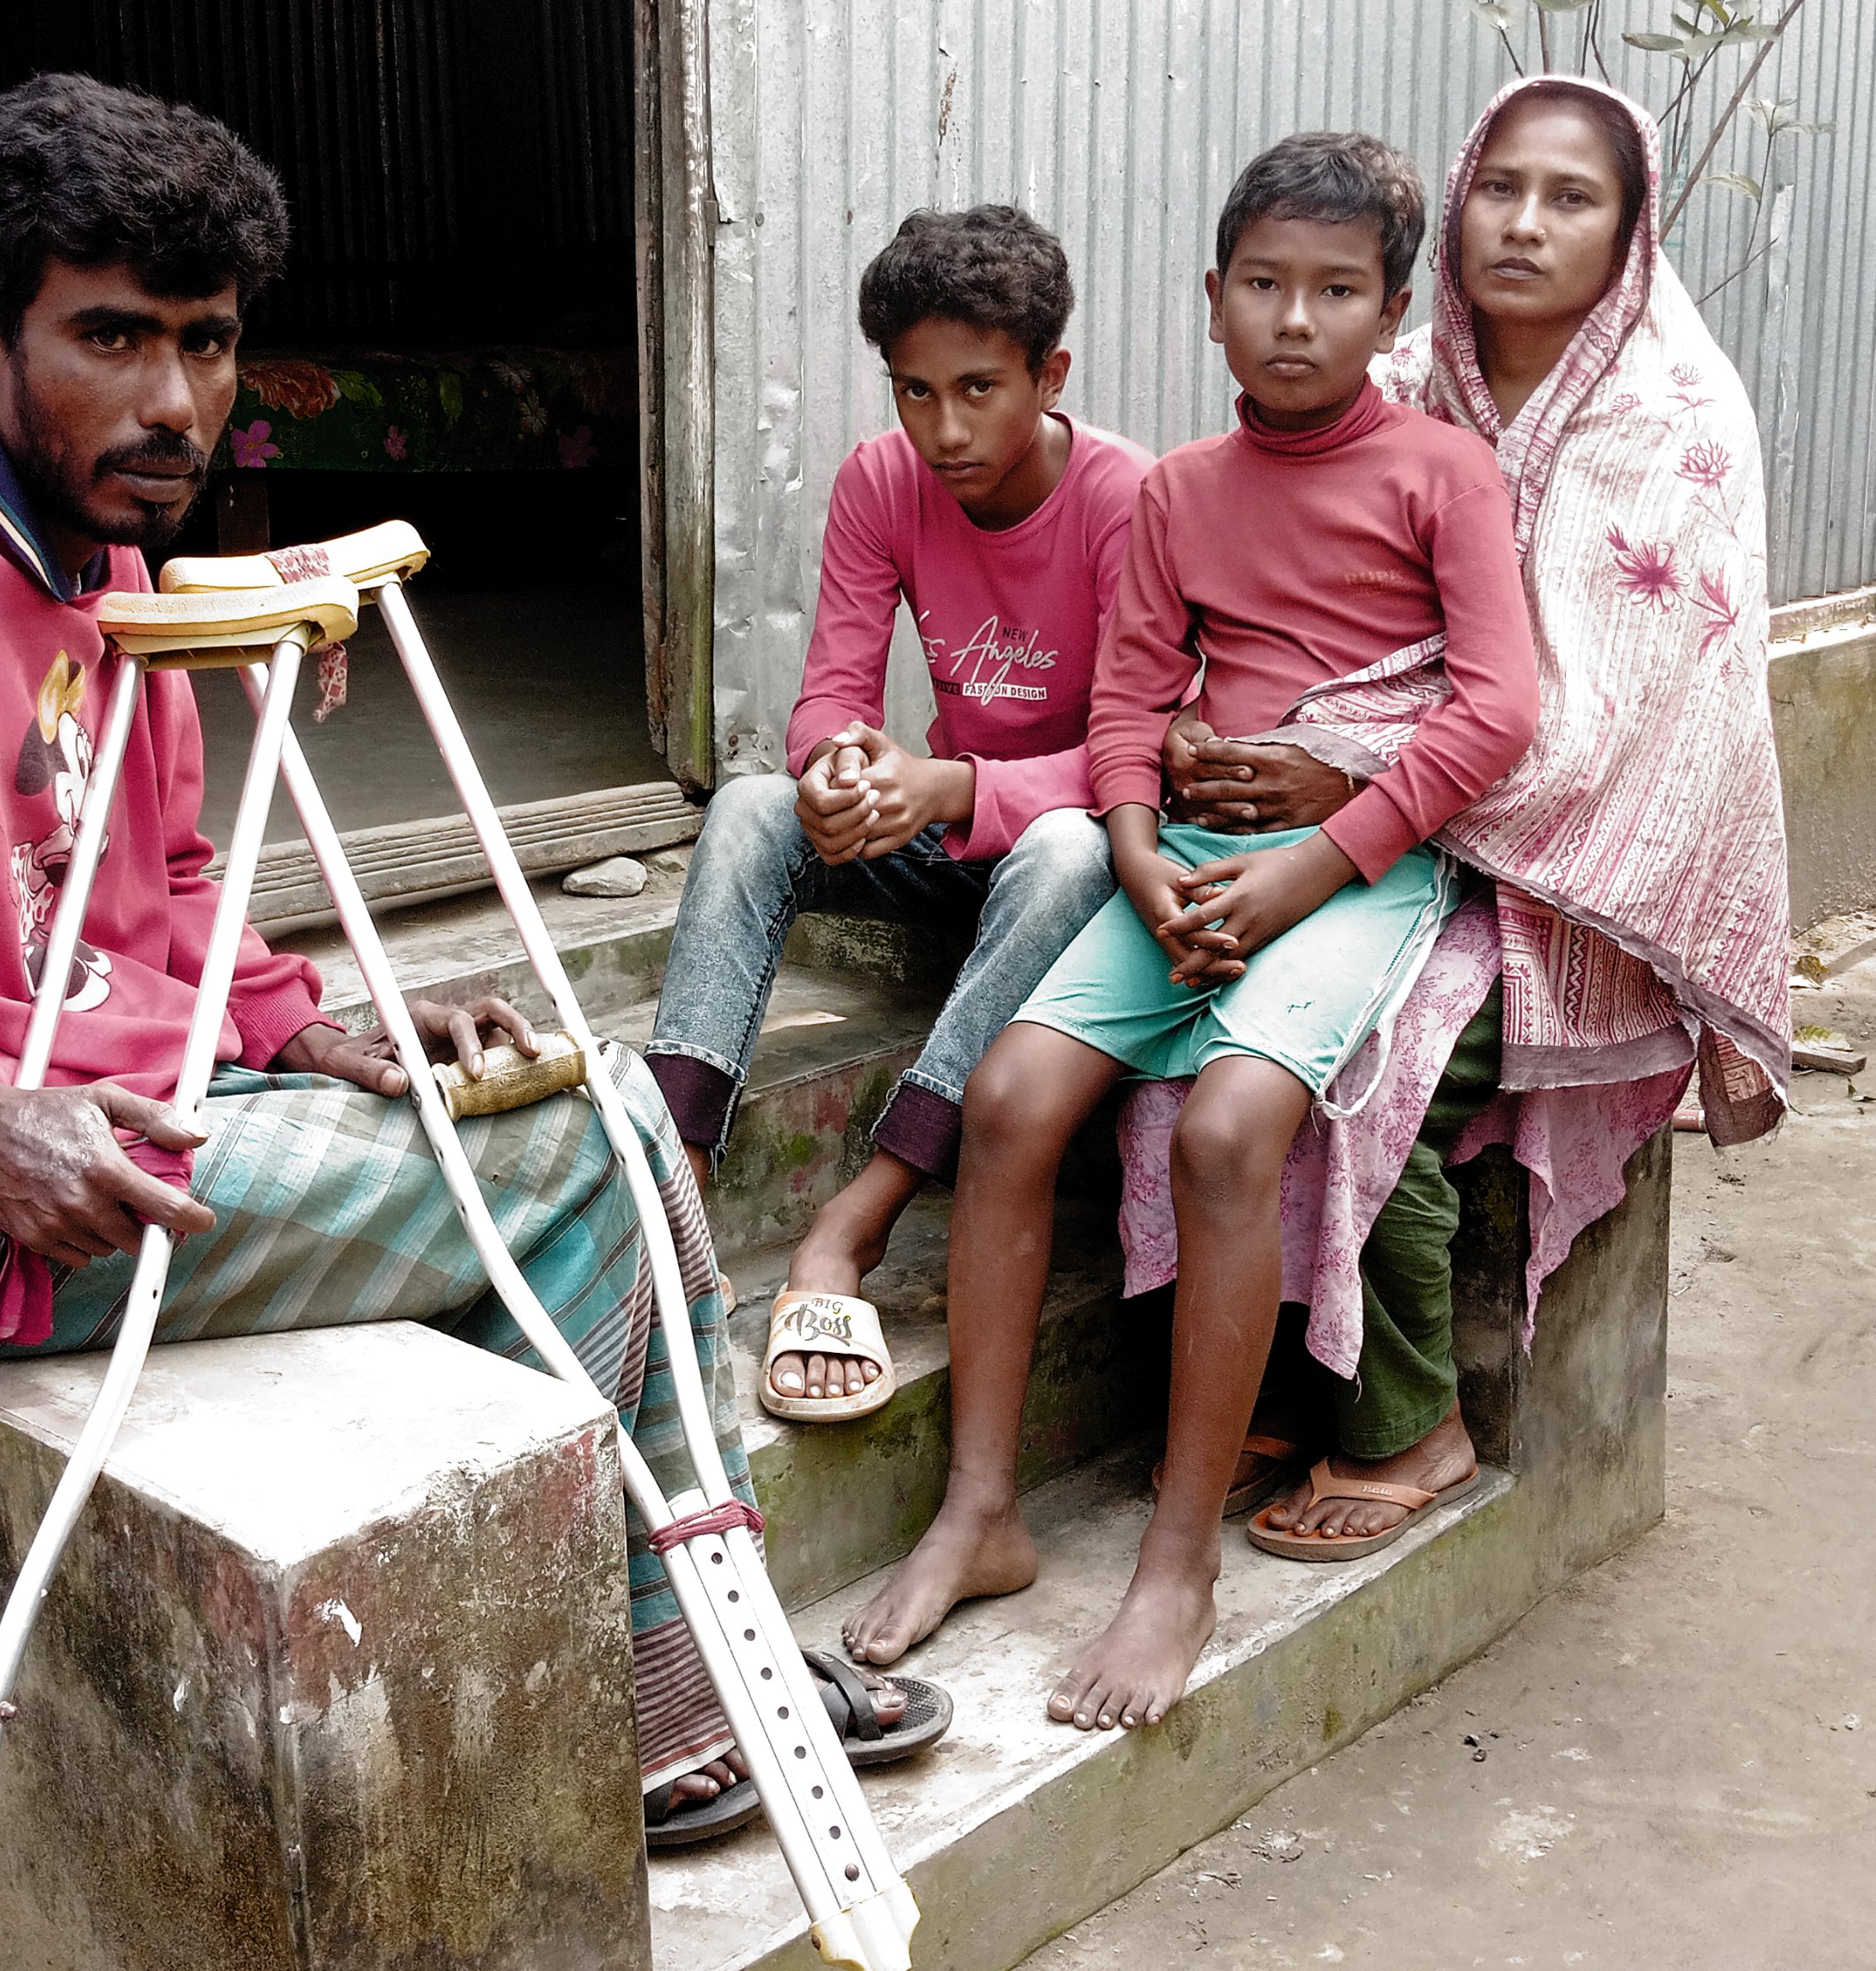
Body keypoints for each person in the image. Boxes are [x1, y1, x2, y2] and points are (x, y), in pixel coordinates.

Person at [0, 77, 889, 1844]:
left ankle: (663, 1658)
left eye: (207, 342)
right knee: (596, 1160)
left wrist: (307, 1020)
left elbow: (154, 874)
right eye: (109, 338)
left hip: (128, 1122)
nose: (171, 401)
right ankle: (664, 1692)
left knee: (581, 1092)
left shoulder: (109, 562)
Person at [837, 132, 1541, 1734]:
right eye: (1266, 286)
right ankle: (983, 1510)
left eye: (1339, 290)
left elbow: (1497, 711)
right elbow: (1132, 704)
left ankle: (1176, 1561)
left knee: (1229, 1129)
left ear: (1389, 311)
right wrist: (1144, 861)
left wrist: (1313, 868)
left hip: (1361, 870)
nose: (1298, 320)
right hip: (1192, 863)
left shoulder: (1442, 474)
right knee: (1012, 1101)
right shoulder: (1176, 495)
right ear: (1212, 302)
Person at [1131, 75, 1794, 1564]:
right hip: (1400, 833)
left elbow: (1611, 712)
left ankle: (1409, 1421)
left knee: (1380, 1057)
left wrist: (1342, 772)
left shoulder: (1676, 423)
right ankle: (1281, 1373)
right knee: (1208, 1017)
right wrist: (1227, 730)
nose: (1526, 222)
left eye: (1573, 197)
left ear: (1632, 231)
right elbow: (1284, 594)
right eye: (1501, 185)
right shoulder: (1407, 374)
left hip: (1587, 881)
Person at [645, 205, 1142, 1423]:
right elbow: (830, 692)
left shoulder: (1128, 499)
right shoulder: (884, 481)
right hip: (948, 839)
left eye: (979, 388)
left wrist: (958, 784)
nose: (946, 427)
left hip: (1069, 858)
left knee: (1070, 846)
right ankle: (670, 1196)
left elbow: (1147, 757)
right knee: (758, 803)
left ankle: (859, 1215)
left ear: (1050, 373)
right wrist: (839, 767)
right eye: (914, 392)